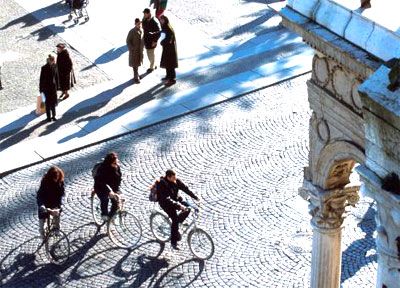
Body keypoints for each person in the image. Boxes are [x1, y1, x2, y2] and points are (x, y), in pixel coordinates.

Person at [157, 169, 199, 249]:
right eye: (173, 177)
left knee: (189, 208)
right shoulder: (162, 184)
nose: (175, 179)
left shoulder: (176, 181)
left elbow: (185, 188)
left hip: (176, 199)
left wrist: (195, 197)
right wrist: (179, 206)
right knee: (175, 219)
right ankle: (174, 241)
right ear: (168, 177)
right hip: (166, 203)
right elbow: (167, 199)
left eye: (175, 176)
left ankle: (177, 224)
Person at [37, 166, 65, 239]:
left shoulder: (60, 182)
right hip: (45, 203)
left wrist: (60, 206)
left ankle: (57, 229)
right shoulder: (45, 182)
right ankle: (43, 234)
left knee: (57, 215)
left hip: (55, 203)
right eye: (55, 177)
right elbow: (40, 195)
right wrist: (42, 206)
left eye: (57, 177)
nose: (56, 179)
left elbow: (61, 195)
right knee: (42, 227)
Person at [94, 152, 122, 221]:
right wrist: (109, 191)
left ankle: (111, 217)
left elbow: (118, 178)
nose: (116, 164)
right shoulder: (102, 169)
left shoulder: (116, 167)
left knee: (116, 202)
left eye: (116, 162)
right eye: (114, 163)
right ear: (109, 163)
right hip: (101, 187)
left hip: (112, 187)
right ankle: (104, 214)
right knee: (105, 199)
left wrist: (117, 189)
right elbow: (101, 182)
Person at [39, 54, 59, 122]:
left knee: (53, 103)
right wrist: (41, 89)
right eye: (53, 61)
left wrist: (57, 86)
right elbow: (41, 79)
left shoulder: (55, 66)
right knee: (47, 104)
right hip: (46, 88)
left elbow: (56, 77)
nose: (54, 62)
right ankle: (48, 117)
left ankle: (53, 116)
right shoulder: (44, 68)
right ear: (50, 61)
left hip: (53, 88)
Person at [159, 15, 178, 86]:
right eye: (160, 20)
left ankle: (172, 79)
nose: (160, 21)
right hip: (166, 48)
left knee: (170, 64)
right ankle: (168, 76)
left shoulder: (168, 27)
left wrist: (162, 42)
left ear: (165, 20)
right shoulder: (165, 26)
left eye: (161, 20)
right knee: (167, 62)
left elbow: (169, 39)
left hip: (170, 49)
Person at [142, 8, 160, 73]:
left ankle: (152, 67)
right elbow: (144, 26)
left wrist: (155, 41)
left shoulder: (154, 22)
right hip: (146, 39)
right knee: (150, 54)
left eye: (145, 13)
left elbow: (158, 32)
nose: (144, 14)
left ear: (149, 13)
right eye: (144, 13)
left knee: (150, 54)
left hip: (151, 41)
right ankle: (154, 64)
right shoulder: (145, 19)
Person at [126, 18, 144, 84]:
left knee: (137, 64)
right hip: (134, 52)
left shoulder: (141, 30)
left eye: (140, 24)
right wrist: (132, 49)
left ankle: (137, 75)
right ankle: (136, 78)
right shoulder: (132, 31)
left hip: (139, 51)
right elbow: (128, 41)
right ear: (135, 24)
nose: (139, 25)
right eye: (138, 24)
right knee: (135, 65)